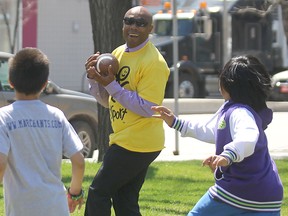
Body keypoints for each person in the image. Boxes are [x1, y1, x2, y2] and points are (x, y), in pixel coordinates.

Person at [152, 55, 283, 216]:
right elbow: (211, 130)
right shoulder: (239, 109)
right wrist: (175, 122)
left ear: (230, 84)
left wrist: (227, 156)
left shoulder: (240, 112)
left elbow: (248, 138)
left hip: (241, 191)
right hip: (269, 195)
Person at [84, 5, 170, 216]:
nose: (133, 26)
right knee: (124, 201)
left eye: (140, 23)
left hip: (138, 141)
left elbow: (148, 108)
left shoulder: (155, 63)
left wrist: (113, 85)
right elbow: (109, 101)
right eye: (128, 21)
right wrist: (94, 80)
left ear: (150, 28)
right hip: (128, 139)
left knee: (98, 192)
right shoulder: (117, 54)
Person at [0, 47, 85, 216]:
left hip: (21, 209)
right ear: (45, 84)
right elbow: (79, 161)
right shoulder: (56, 116)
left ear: (10, 81)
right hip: (56, 207)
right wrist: (75, 193)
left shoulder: (4, 118)